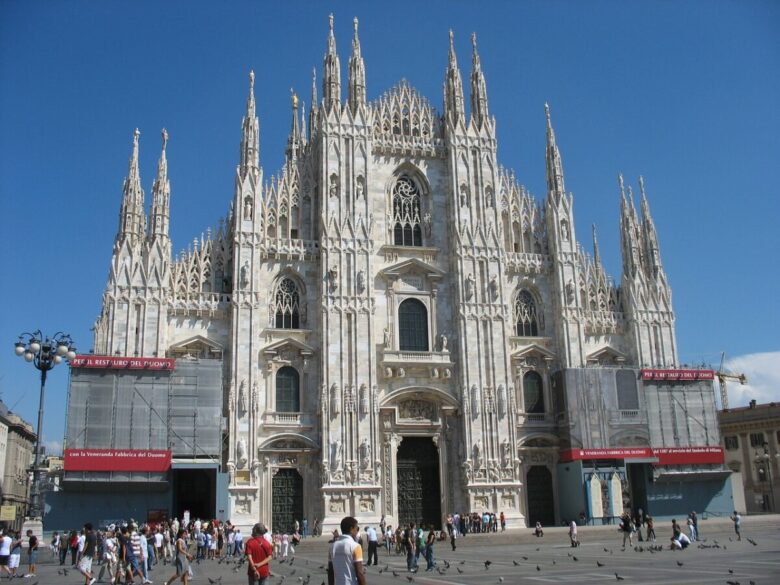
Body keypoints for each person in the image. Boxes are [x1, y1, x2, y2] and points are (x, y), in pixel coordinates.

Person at [327, 516, 366, 585]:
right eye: (356, 528)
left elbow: (330, 571)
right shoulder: (356, 546)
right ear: (351, 529)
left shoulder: (332, 546)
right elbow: (359, 573)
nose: (357, 531)